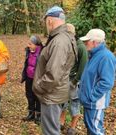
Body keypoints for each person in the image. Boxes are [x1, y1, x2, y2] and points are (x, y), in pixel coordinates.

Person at [32, 6, 77, 135]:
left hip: (51, 95)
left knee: (50, 132)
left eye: (46, 21)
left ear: (50, 21)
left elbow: (53, 75)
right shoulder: (63, 37)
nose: (46, 24)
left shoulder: (59, 41)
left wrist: (38, 87)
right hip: (55, 92)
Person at [79, 29, 116, 135]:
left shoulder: (106, 57)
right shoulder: (94, 54)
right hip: (89, 101)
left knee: (95, 130)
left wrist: (91, 96)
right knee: (91, 128)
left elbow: (107, 82)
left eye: (87, 41)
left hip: (95, 103)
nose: (85, 43)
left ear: (95, 42)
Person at [60, 23, 88, 135]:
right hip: (64, 79)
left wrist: (75, 81)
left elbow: (83, 66)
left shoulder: (80, 47)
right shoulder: (66, 44)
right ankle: (61, 122)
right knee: (63, 101)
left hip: (74, 81)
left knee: (75, 103)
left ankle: (73, 126)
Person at [21, 35, 42, 123]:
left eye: (30, 44)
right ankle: (31, 114)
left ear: (36, 44)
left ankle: (38, 115)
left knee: (37, 96)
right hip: (29, 77)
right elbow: (27, 63)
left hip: (38, 78)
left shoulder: (42, 52)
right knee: (29, 95)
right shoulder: (28, 51)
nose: (28, 45)